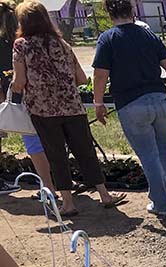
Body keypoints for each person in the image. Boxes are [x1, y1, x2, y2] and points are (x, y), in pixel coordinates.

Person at [11, 1, 126, 216]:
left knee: (56, 155)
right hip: (73, 106)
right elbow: (81, 78)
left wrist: (19, 86)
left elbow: (19, 81)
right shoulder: (62, 43)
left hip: (43, 110)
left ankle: (68, 203)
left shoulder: (21, 45)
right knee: (85, 151)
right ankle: (104, 194)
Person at [93, 0, 166, 216]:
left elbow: (100, 75)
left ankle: (161, 204)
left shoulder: (107, 39)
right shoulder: (149, 35)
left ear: (109, 13)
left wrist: (98, 103)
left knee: (149, 155)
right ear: (132, 11)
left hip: (131, 103)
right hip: (159, 99)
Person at [0, 0, 54, 193]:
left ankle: (48, 185)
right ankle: (61, 180)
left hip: (22, 100)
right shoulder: (39, 39)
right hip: (49, 96)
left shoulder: (14, 45)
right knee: (52, 138)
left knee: (33, 142)